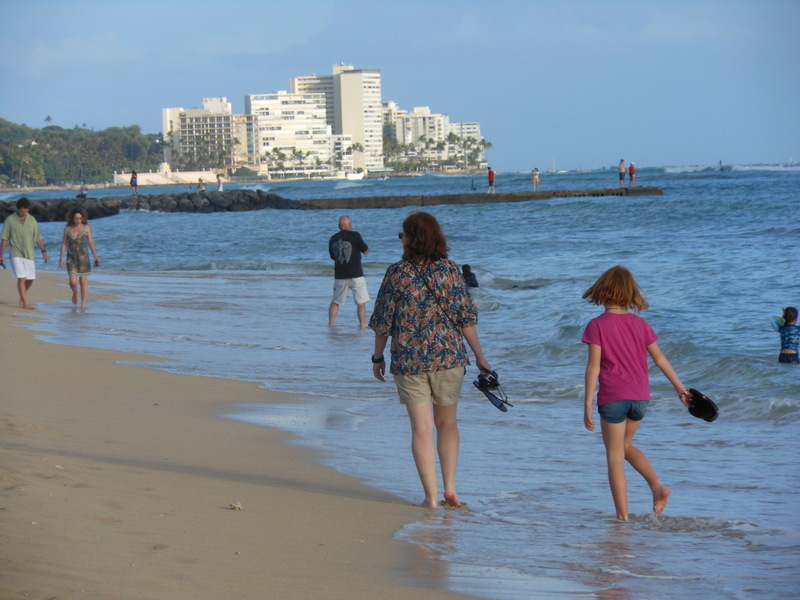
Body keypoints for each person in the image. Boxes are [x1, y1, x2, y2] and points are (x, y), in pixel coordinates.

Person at [369, 211, 492, 509]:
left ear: (412, 238)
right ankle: (451, 489)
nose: (402, 240)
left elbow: (383, 321)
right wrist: (479, 356)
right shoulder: (450, 270)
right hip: (448, 357)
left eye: (403, 235)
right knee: (447, 423)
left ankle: (431, 498)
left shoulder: (397, 273)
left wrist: (377, 356)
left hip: (409, 360)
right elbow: (465, 318)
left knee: (422, 429)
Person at [581, 265, 691, 521]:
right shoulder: (640, 324)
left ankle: (622, 519)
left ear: (602, 290)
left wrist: (587, 403)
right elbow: (661, 360)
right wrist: (681, 389)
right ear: (629, 293)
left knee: (614, 456)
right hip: (640, 398)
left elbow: (593, 367)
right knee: (625, 445)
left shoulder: (597, 325)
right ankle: (656, 486)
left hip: (613, 397)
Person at [0, 197, 49, 309]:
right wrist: (1, 254)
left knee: (30, 279)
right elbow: (4, 238)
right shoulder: (10, 220)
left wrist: (44, 252)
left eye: (26, 211)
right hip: (15, 252)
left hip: (29, 253)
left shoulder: (32, 220)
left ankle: (22, 297)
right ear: (18, 209)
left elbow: (38, 237)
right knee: (21, 277)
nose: (24, 213)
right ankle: (25, 303)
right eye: (22, 211)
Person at [328, 215, 370, 328]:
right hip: (356, 274)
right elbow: (365, 250)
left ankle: (331, 325)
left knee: (335, 301)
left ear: (339, 226)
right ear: (350, 225)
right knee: (361, 302)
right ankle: (362, 326)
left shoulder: (333, 238)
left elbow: (333, 257)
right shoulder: (355, 235)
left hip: (340, 275)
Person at [59, 207, 100, 310]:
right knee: (73, 282)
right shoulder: (67, 229)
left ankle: (83, 303)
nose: (78, 220)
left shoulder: (86, 228)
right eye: (76, 218)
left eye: (80, 218)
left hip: (84, 258)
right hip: (71, 258)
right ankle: (74, 292)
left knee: (83, 281)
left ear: (83, 218)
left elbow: (91, 242)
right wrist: (61, 258)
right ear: (72, 219)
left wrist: (95, 256)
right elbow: (64, 244)